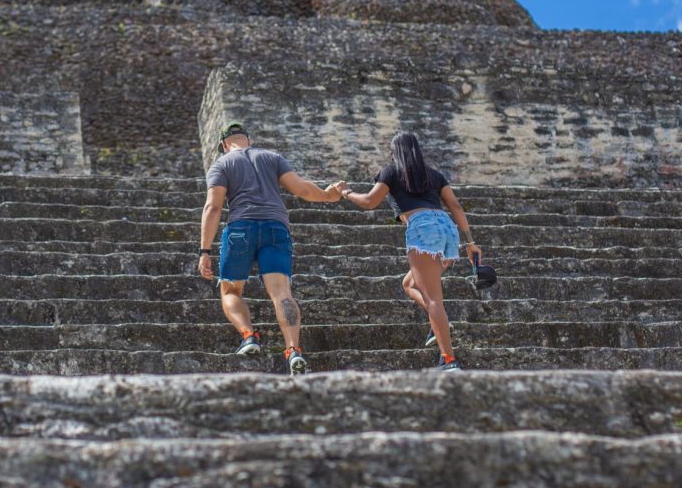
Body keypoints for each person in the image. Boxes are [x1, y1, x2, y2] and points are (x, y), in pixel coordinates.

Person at [199, 122, 344, 375]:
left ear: (224, 145)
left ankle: (248, 337)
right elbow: (301, 189)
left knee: (231, 290)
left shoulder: (221, 164)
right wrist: (328, 195)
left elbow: (213, 207)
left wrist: (204, 251)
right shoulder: (271, 157)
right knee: (282, 293)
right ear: (248, 139)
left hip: (240, 229)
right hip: (276, 228)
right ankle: (293, 350)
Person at [337, 131, 482, 372]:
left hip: (423, 229)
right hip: (446, 228)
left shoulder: (392, 171)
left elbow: (369, 202)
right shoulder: (434, 174)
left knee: (434, 298)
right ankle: (439, 324)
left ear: (394, 151)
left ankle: (448, 360)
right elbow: (455, 205)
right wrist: (470, 242)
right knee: (409, 285)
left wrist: (346, 192)